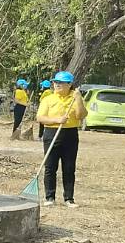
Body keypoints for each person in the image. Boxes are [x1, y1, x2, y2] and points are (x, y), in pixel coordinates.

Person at [35, 71, 87, 207]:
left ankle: (69, 198)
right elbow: (40, 118)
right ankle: (49, 197)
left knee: (69, 167)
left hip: (70, 135)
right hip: (51, 133)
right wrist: (57, 119)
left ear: (69, 84)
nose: (56, 84)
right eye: (55, 82)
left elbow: (81, 115)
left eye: (60, 82)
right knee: (50, 166)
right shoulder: (48, 99)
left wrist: (79, 99)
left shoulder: (75, 98)